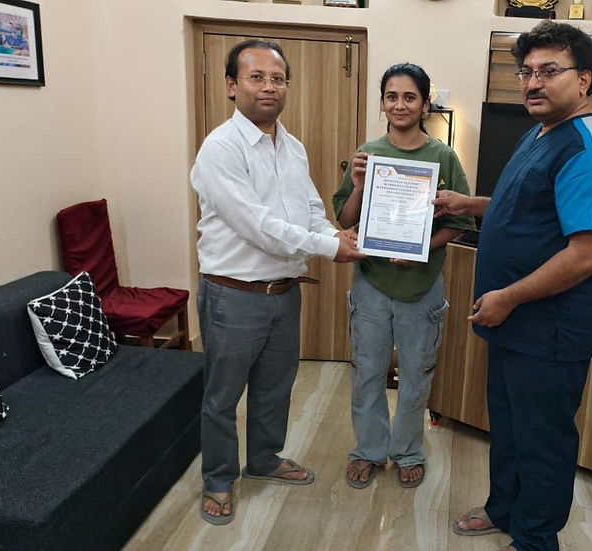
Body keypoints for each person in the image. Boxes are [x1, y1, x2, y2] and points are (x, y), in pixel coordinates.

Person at [433, 21, 592, 551]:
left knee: (542, 439)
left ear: (584, 80)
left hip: (548, 331)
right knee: (510, 426)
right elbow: (523, 207)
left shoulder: (589, 145)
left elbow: (588, 253)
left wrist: (508, 296)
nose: (533, 83)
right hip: (510, 323)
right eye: (526, 72)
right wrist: (468, 205)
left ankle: (535, 539)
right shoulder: (539, 132)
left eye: (549, 71)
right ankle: (504, 511)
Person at [190, 39, 364, 525]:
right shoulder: (219, 149)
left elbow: (309, 207)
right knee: (222, 398)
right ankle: (219, 479)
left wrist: (334, 231)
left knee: (275, 389)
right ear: (231, 86)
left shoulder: (293, 146)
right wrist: (332, 247)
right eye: (256, 77)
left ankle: (263, 460)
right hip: (233, 295)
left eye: (278, 78)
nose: (269, 86)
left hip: (285, 295)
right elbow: (257, 225)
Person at [332, 63, 475, 489]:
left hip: (422, 286)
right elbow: (343, 218)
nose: (400, 104)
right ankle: (368, 450)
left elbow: (461, 223)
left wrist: (422, 251)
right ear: (382, 103)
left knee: (417, 375)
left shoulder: (444, 156)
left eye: (409, 97)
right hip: (371, 284)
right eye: (391, 96)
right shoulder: (368, 152)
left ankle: (409, 450)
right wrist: (359, 185)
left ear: (425, 103)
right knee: (367, 371)